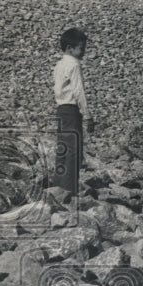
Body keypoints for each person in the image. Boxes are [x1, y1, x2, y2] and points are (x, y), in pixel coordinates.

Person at [52, 28, 93, 195]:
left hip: (61, 110)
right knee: (74, 151)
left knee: (62, 149)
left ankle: (58, 186)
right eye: (81, 47)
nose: (83, 51)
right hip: (71, 110)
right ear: (70, 48)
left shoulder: (59, 64)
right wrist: (88, 115)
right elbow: (79, 91)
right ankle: (69, 190)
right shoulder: (74, 64)